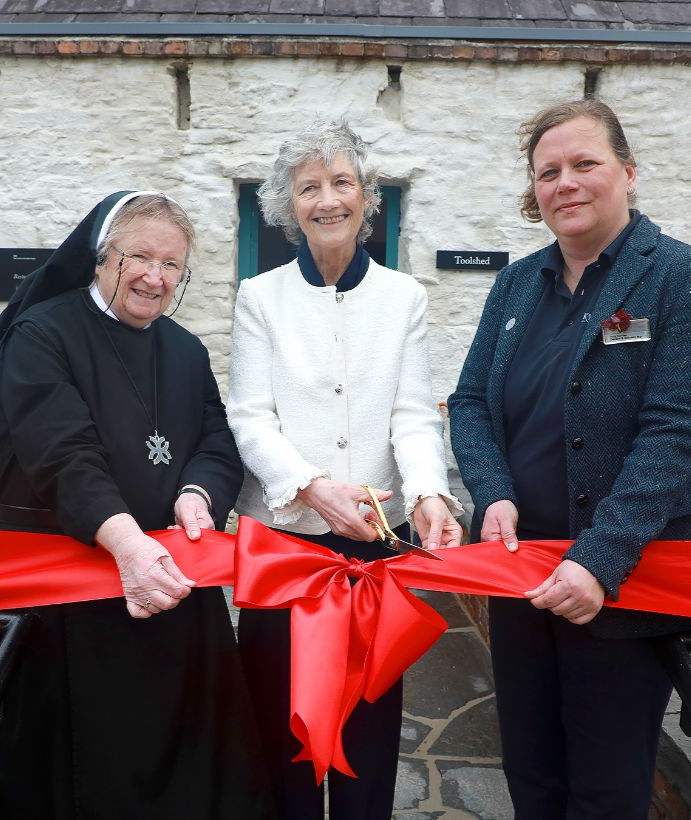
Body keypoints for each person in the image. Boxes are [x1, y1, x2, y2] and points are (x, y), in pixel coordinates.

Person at [0, 191, 274, 819]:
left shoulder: (186, 350)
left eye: (172, 264)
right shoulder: (41, 334)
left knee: (178, 746)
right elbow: (62, 453)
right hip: (56, 586)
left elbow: (215, 439)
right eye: (139, 257)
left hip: (162, 580)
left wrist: (196, 494)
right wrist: (127, 542)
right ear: (101, 259)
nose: (156, 276)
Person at [448, 100, 691, 819]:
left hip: (629, 578)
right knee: (532, 775)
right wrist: (494, 494)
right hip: (524, 574)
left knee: (606, 790)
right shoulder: (516, 284)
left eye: (585, 164)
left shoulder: (688, 279)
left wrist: (598, 561)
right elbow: (473, 403)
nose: (565, 183)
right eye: (549, 172)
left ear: (628, 173)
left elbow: (675, 436)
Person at [226, 120, 463, 820]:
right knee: (281, 731)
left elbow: (415, 414)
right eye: (309, 187)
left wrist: (428, 495)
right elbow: (249, 416)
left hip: (370, 551)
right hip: (284, 549)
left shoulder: (404, 298)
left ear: (365, 197)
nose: (327, 199)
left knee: (368, 729)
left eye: (342, 182)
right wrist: (309, 488)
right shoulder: (258, 297)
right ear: (286, 206)